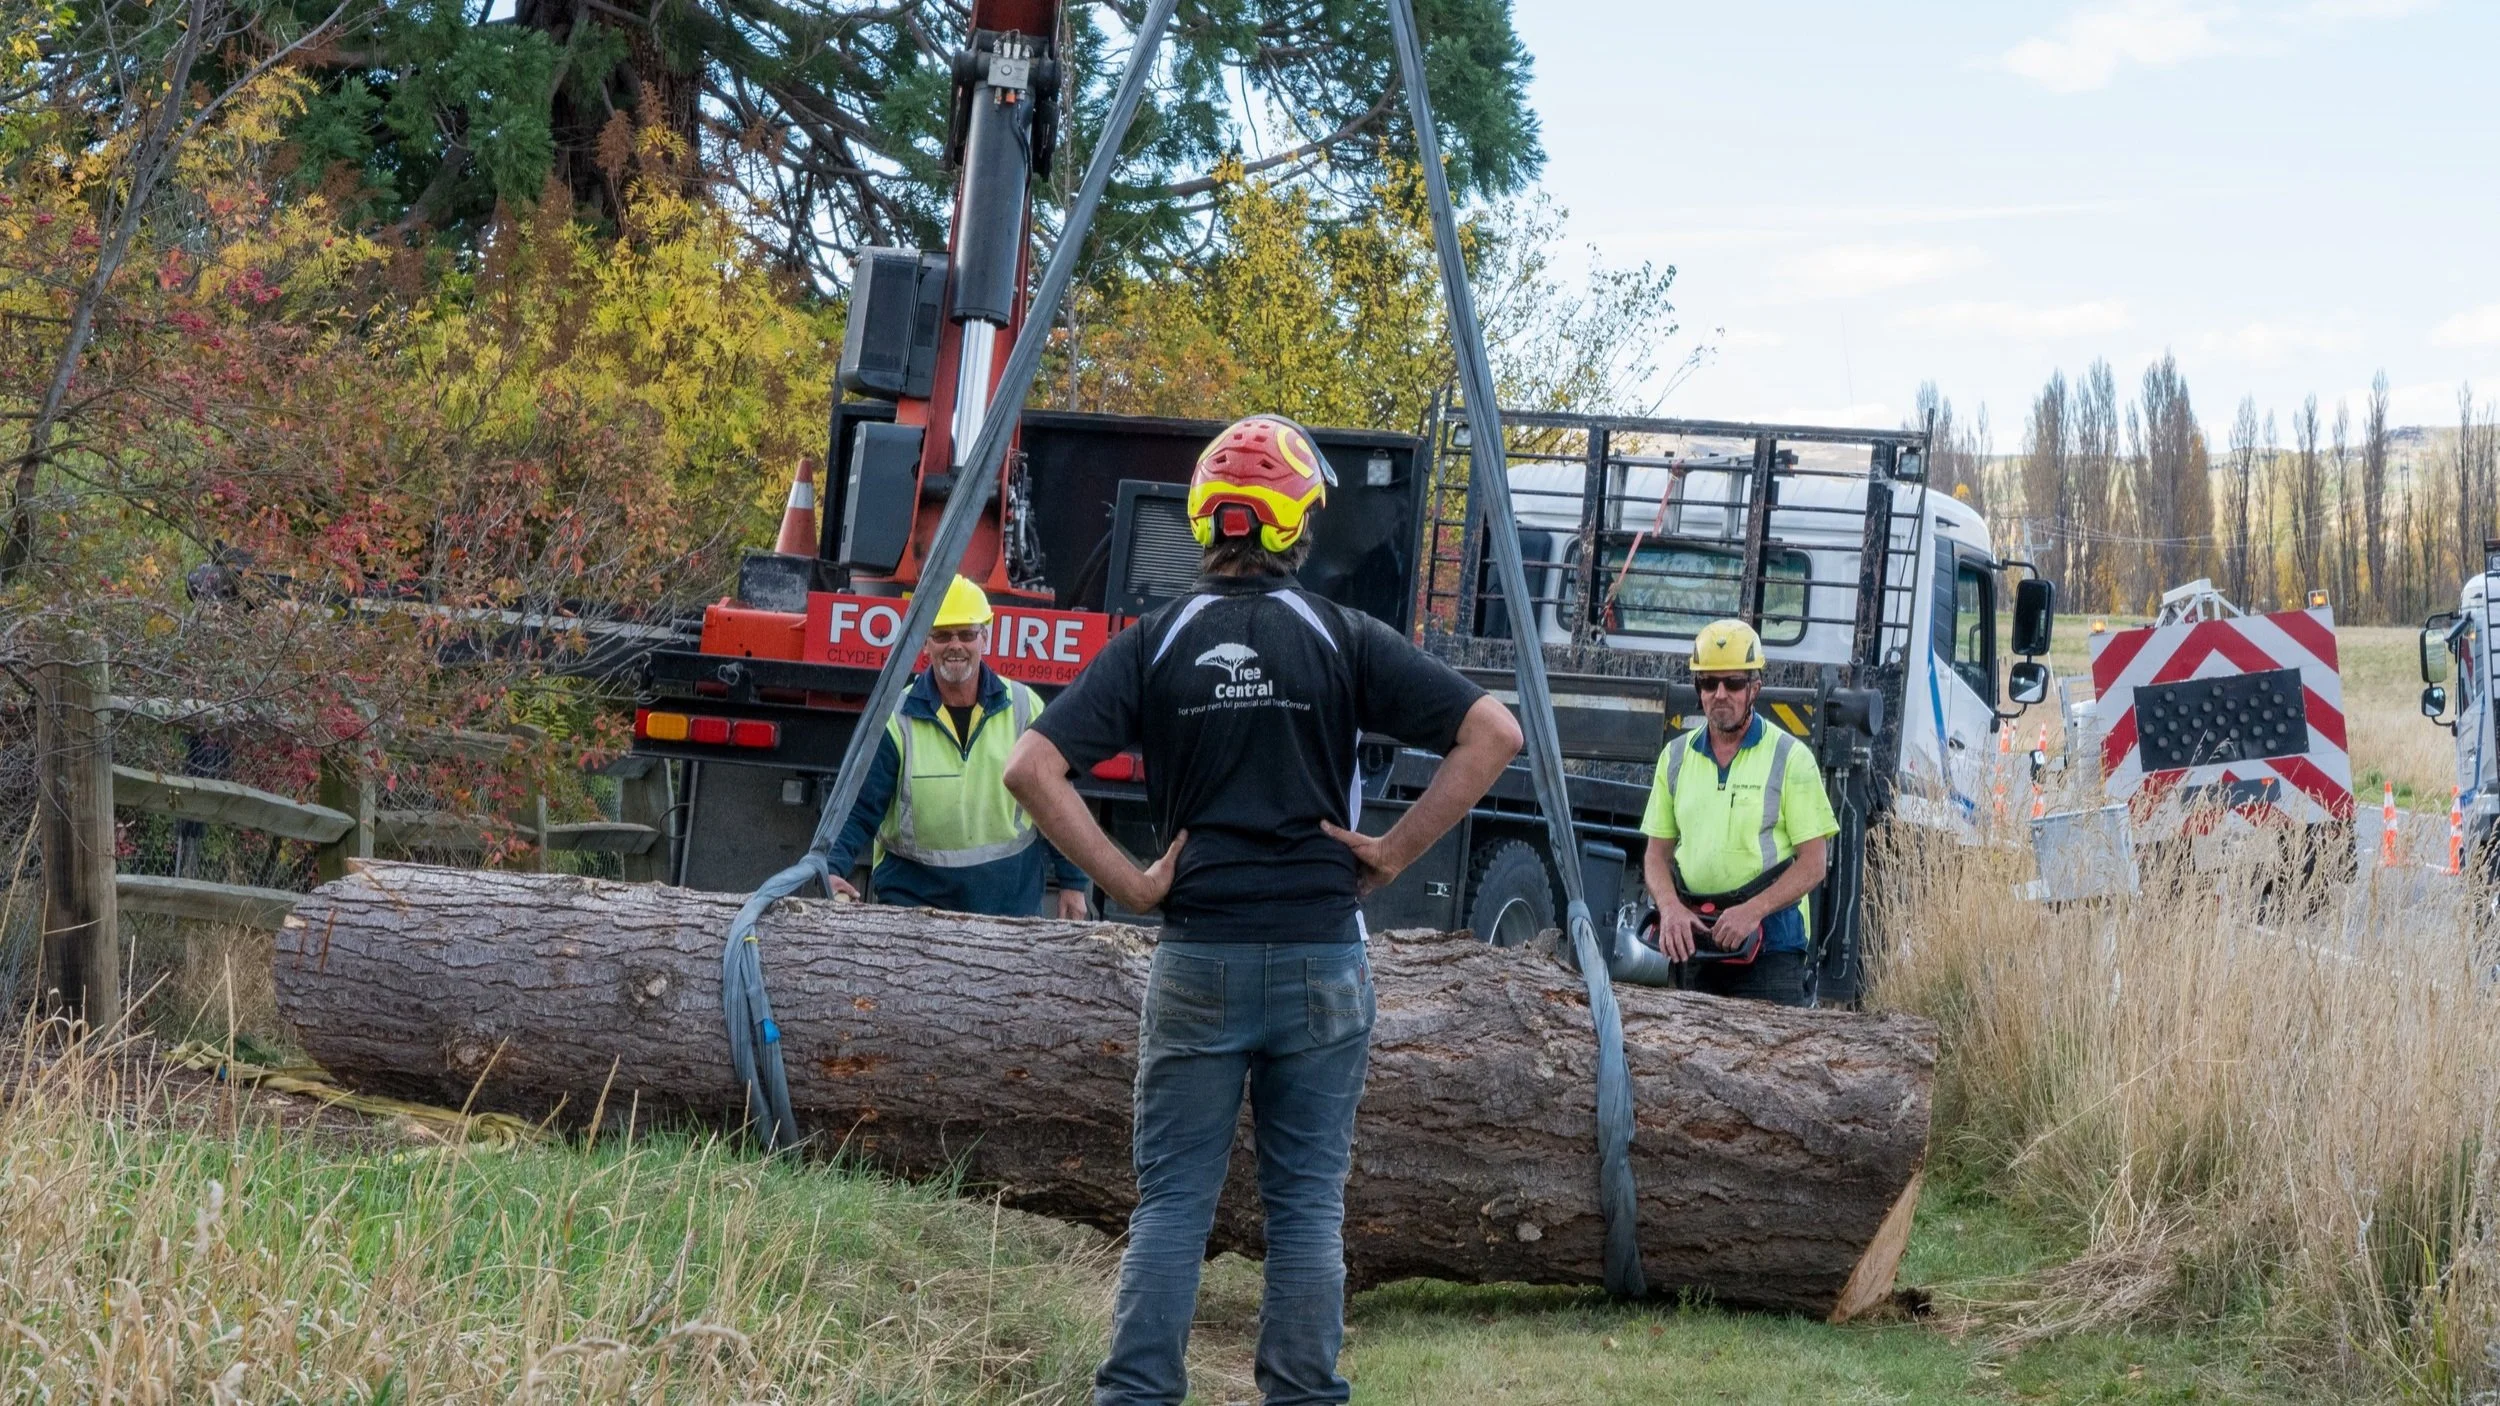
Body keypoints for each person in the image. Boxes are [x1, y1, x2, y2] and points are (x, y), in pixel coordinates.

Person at [1002, 414, 1522, 1406]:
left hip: (1199, 953)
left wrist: (1130, 881)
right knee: (1306, 1209)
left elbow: (1031, 766)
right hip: (1322, 957)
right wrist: (1390, 851)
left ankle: (1139, 1392)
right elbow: (1491, 732)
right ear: (1295, 525)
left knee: (1171, 1208)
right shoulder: (1342, 635)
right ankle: (1300, 1392)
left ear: (1204, 518)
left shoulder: (1154, 642)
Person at [823, 574, 1091, 918]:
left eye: (966, 634)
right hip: (914, 909)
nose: (955, 645)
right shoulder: (895, 718)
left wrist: (1073, 883)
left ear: (985, 638)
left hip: (1009, 909)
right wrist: (830, 868)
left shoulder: (1026, 708)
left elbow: (1058, 803)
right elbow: (859, 808)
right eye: (942, 634)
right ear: (925, 642)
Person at [1638, 616, 1838, 1007]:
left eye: (1733, 683)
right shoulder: (1675, 758)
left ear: (1754, 687)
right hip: (1696, 943)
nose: (1720, 694)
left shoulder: (1790, 758)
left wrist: (1752, 911)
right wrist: (1670, 908)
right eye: (1709, 683)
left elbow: (1814, 864)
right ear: (1698, 689)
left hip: (1770, 947)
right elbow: (1655, 855)